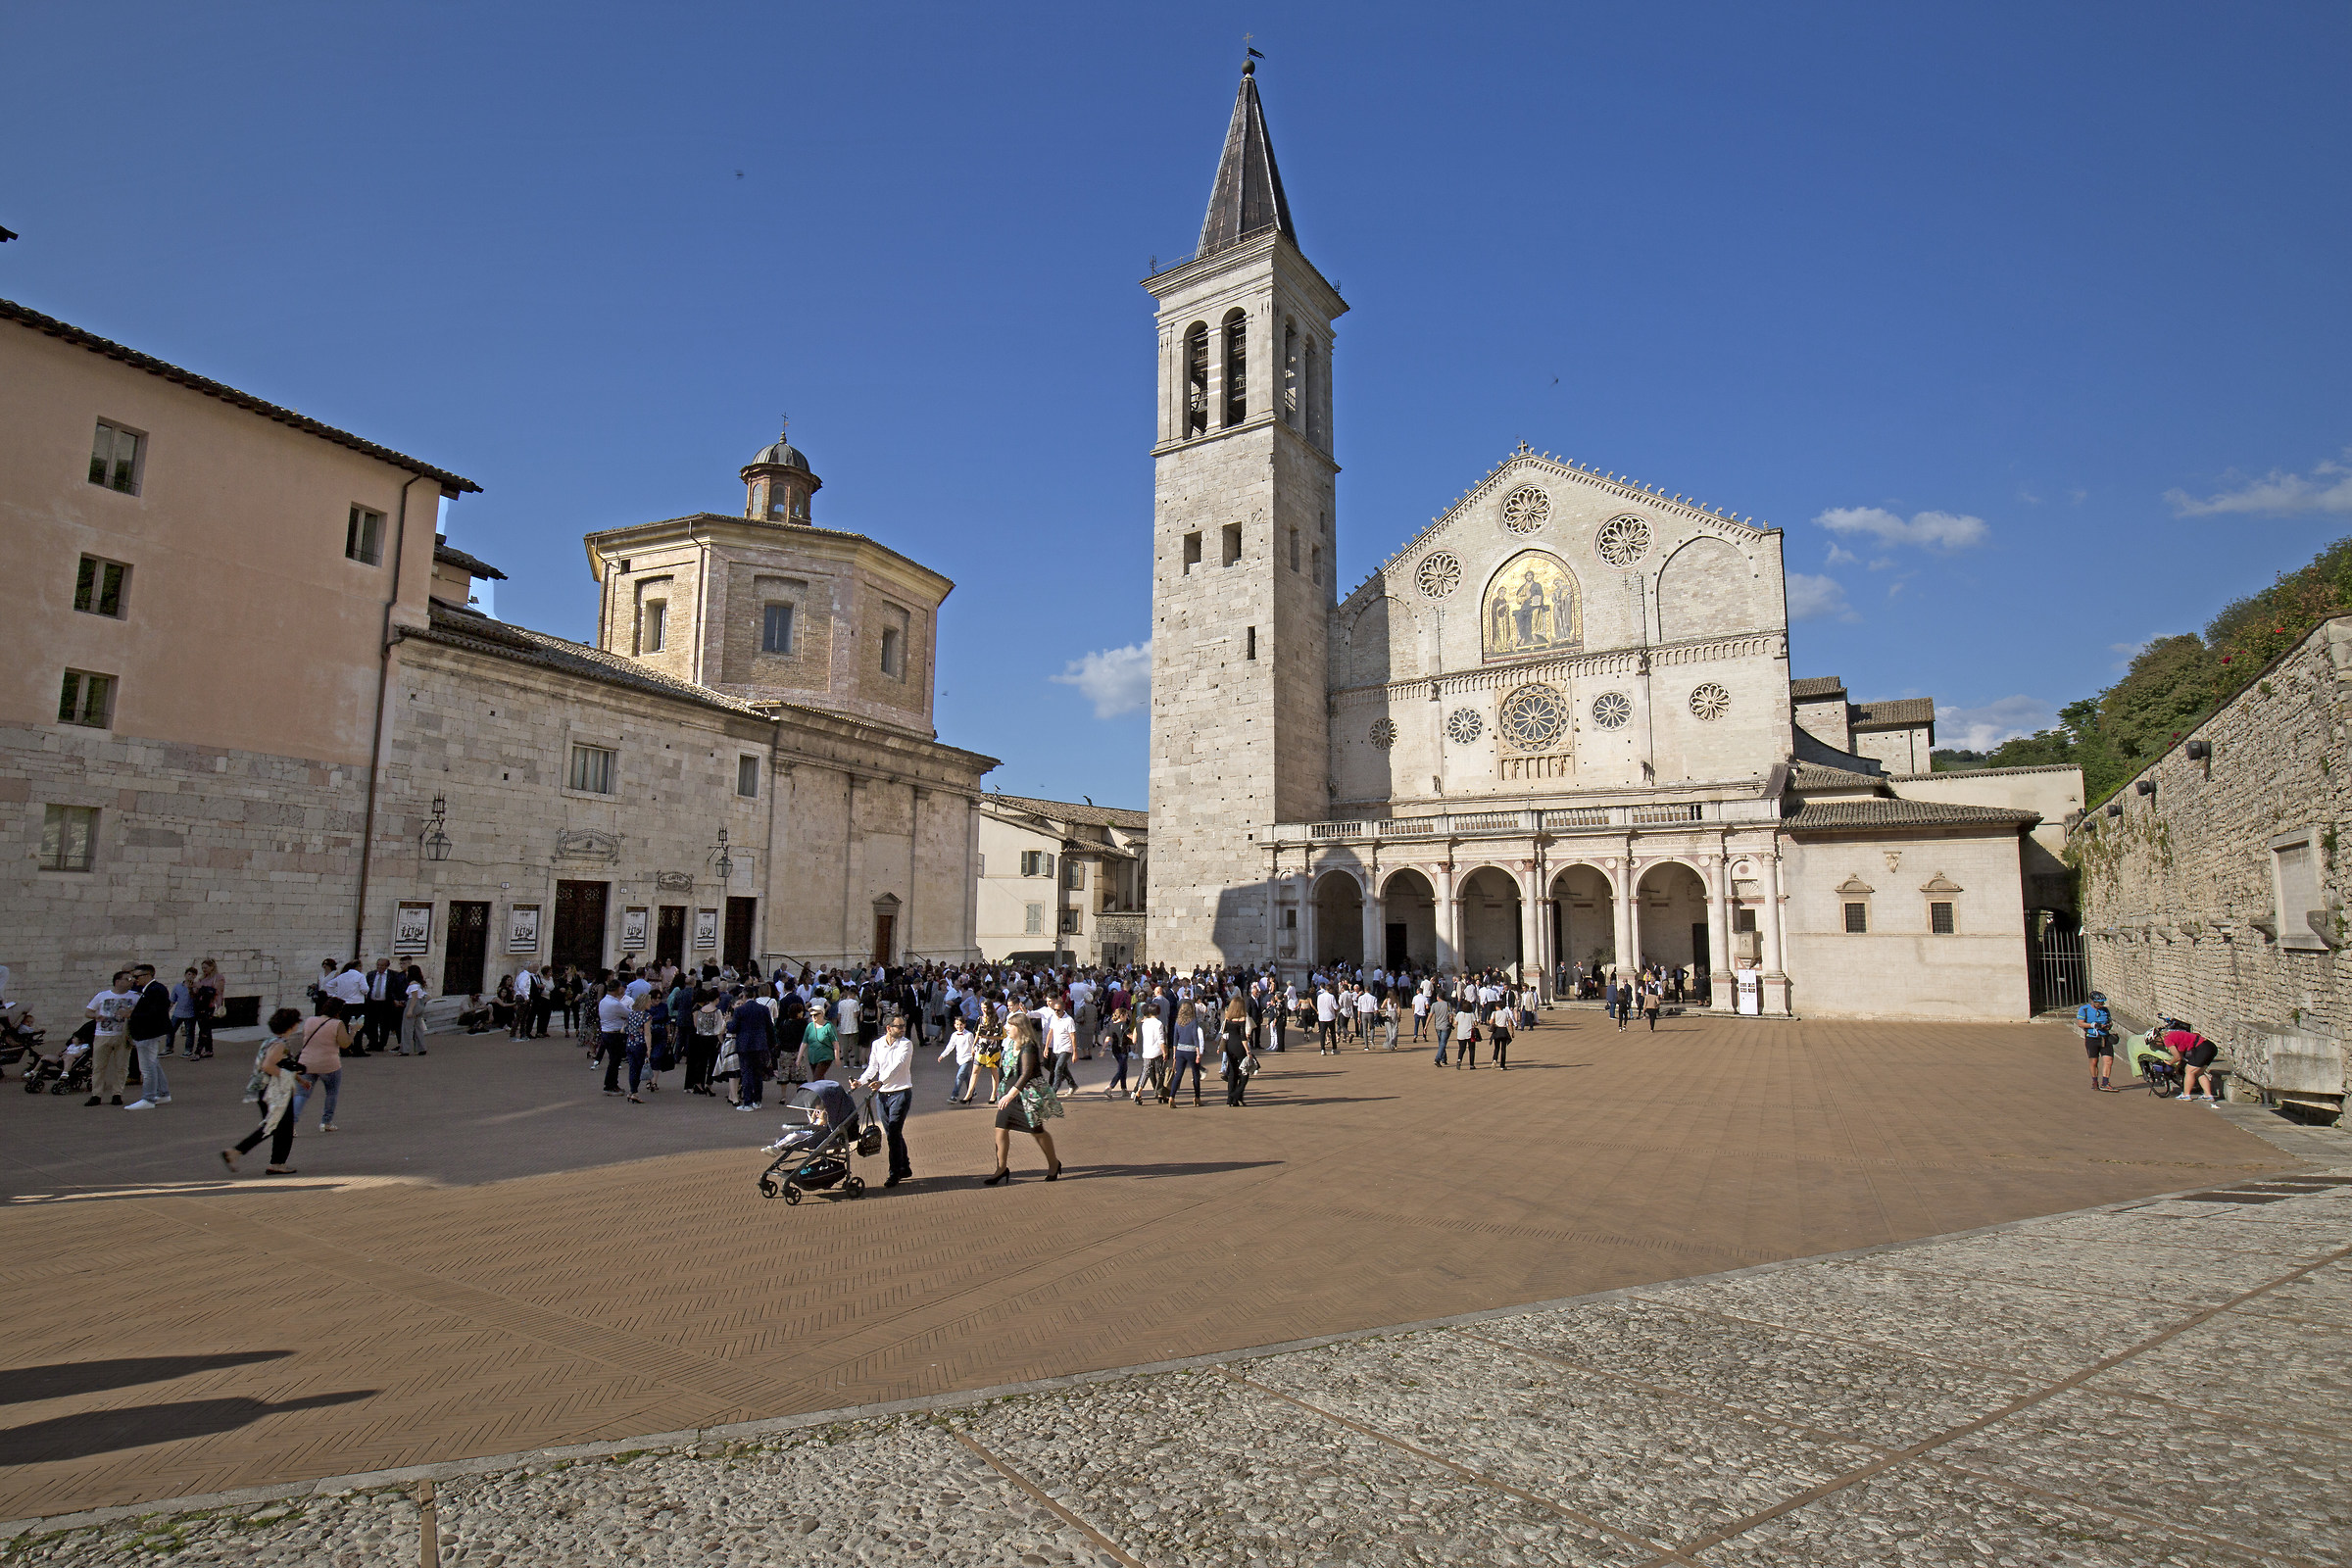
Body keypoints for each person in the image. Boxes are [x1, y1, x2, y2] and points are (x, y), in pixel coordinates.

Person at [221, 1008, 306, 1175]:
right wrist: (286, 1078)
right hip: (273, 1091)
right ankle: (238, 1152)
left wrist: (300, 1080)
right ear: (291, 1025)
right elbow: (268, 1066)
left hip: (264, 1089)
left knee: (278, 1126)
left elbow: (282, 1065)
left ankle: (276, 1163)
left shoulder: (270, 1041)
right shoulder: (279, 1044)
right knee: (276, 1126)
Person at [983, 1014, 1061, 1185]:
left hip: (1026, 1096)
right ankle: (1001, 1168)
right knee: (1000, 1128)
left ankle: (1054, 1163)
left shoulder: (1029, 1047)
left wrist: (1010, 1094)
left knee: (1037, 1131)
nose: (1007, 1028)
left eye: (1010, 1025)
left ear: (1020, 1028)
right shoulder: (1011, 1044)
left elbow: (1025, 1074)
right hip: (1009, 1095)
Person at [854, 1014, 916, 1186]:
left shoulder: (906, 1044)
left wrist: (881, 1081)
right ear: (888, 1028)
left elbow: (898, 1066)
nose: (903, 1029)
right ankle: (905, 1166)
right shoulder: (877, 1044)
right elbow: (873, 1067)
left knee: (893, 1133)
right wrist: (860, 1081)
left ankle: (894, 1173)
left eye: (904, 1026)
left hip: (901, 1093)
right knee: (892, 1133)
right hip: (882, 1095)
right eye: (899, 1026)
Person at [119, 963, 174, 1112]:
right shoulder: (150, 989)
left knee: (147, 1067)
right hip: (146, 1032)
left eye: (136, 977)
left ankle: (148, 1098)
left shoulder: (155, 990)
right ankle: (163, 1093)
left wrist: (131, 1014)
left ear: (147, 975)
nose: (134, 980)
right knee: (153, 1063)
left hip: (148, 1033)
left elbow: (155, 1012)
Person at [288, 1004, 349, 1131]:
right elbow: (344, 1044)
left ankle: (290, 1124)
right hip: (329, 1064)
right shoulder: (337, 1024)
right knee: (331, 1093)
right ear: (338, 1012)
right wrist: (353, 1032)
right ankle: (326, 1122)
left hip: (306, 1062)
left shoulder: (310, 1020)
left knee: (301, 1094)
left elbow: (305, 1038)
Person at [83, 969, 136, 1107]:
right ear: (118, 982)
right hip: (103, 1035)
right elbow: (88, 1011)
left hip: (123, 1035)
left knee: (122, 1066)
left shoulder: (135, 997)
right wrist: (95, 1016)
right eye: (128, 979)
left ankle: (117, 1094)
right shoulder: (102, 995)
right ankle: (96, 1094)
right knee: (98, 1066)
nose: (131, 982)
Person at [730, 985, 774, 1110]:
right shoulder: (764, 1009)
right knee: (757, 1073)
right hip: (760, 1044)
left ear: (744, 996)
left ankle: (748, 1102)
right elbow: (770, 1028)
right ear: (754, 996)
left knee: (746, 1073)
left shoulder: (740, 1010)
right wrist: (771, 1044)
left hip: (744, 1045)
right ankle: (757, 1100)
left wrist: (728, 1023)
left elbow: (733, 1027)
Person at [596, 979, 631, 1096]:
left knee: (614, 1060)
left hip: (606, 1032)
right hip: (614, 1033)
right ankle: (611, 1085)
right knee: (615, 1060)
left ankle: (610, 1084)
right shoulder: (615, 1004)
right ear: (617, 988)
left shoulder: (604, 1001)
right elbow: (628, 1014)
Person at [2170, 1022, 2222, 1103]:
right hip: (2211, 1046)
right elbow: (2181, 1052)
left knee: (2189, 1070)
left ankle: (2186, 1095)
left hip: (2202, 1047)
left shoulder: (2167, 1039)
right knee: (2199, 1072)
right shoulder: (2178, 1035)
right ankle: (2208, 1095)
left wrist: (2170, 1063)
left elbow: (2177, 1056)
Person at [1168, 1002, 1204, 1106]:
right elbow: (1195, 1037)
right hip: (1191, 1050)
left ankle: (1172, 1096)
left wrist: (1174, 1053)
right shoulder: (1193, 1022)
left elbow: (1175, 1039)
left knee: (1178, 1074)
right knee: (1195, 1074)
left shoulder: (1177, 1022)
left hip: (1180, 1050)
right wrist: (1198, 1052)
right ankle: (1197, 1097)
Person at [2078, 992, 2115, 1091]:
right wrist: (2093, 1025)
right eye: (2099, 1003)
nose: (2101, 1004)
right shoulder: (2084, 1009)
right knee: (2094, 1061)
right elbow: (2080, 1023)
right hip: (2092, 1038)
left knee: (2109, 1060)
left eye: (2102, 1002)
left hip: (2105, 1037)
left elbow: (2109, 1021)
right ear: (2093, 1001)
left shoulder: (2105, 1010)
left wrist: (2108, 1026)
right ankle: (2095, 1081)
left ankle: (2105, 1083)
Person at [1220, 997, 1253, 1106]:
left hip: (1229, 1045)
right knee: (1245, 1071)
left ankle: (1230, 1099)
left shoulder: (1228, 1018)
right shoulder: (1242, 1019)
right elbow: (1243, 1037)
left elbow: (1224, 1033)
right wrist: (1248, 1051)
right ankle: (1237, 1093)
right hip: (1239, 1045)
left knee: (1232, 1072)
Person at [940, 1013, 978, 1103]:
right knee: (966, 1077)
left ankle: (954, 1096)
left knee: (960, 1076)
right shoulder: (954, 1035)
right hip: (960, 1059)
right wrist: (942, 1055)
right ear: (954, 1025)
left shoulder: (969, 1035)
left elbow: (974, 1045)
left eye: (961, 1024)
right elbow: (950, 1046)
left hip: (968, 1058)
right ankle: (973, 1091)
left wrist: (976, 1054)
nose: (959, 1026)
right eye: (957, 1024)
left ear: (964, 1025)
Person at [168, 967, 201, 1058]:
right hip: (178, 1012)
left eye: (193, 975)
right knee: (171, 1030)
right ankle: (168, 1048)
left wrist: (190, 989)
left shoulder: (196, 986)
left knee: (189, 1032)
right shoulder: (177, 987)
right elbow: (172, 1000)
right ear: (185, 975)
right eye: (189, 974)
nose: (191, 976)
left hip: (190, 1013)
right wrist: (167, 1010)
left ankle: (188, 1050)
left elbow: (195, 998)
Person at [1102, 1005, 1132, 1099]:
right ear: (1121, 1015)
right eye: (1126, 1015)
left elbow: (1108, 1038)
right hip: (1123, 1049)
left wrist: (1103, 1049)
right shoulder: (1124, 1024)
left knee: (1123, 1068)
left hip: (1115, 1049)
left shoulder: (1111, 1025)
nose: (1127, 1017)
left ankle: (1124, 1089)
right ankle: (1110, 1086)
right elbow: (1129, 1035)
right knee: (1122, 1069)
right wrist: (1137, 1036)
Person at [398, 965, 428, 1055]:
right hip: (420, 1005)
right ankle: (421, 1048)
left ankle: (405, 1049)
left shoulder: (413, 984)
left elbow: (414, 998)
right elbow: (427, 996)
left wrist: (410, 1010)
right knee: (418, 1028)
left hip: (412, 1004)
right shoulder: (420, 984)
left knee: (407, 1028)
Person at [1487, 996, 1514, 1070]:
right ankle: (1502, 1065)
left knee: (1496, 1047)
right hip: (1504, 1030)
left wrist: (1489, 1021)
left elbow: (1491, 1022)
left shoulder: (1494, 1013)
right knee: (1503, 1048)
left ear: (1497, 1007)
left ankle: (1495, 1059)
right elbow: (1510, 1023)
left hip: (1497, 1030)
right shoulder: (1505, 1013)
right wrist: (1512, 1032)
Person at [1452, 999, 1478, 1070]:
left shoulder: (1459, 1014)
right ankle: (1471, 1065)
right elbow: (1476, 1023)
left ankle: (1459, 1060)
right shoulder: (1471, 1014)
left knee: (1462, 1049)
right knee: (1471, 1049)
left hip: (1461, 1034)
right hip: (1470, 1034)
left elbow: (1455, 1023)